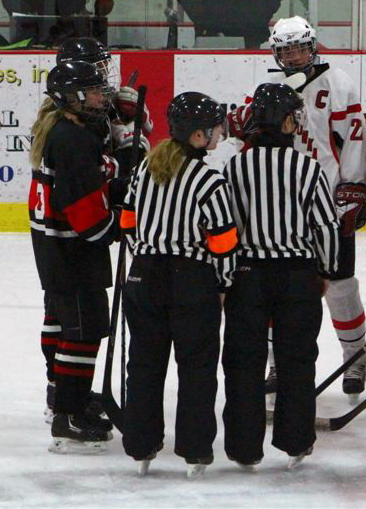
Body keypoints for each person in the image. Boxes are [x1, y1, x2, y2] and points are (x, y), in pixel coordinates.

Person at [252, 16, 366, 401]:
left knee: (340, 285)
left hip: (328, 201)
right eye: (285, 51)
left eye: (299, 49)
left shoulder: (338, 83)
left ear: (312, 47)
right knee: (277, 287)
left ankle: (355, 358)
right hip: (282, 208)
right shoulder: (269, 87)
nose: (293, 57)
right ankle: (276, 363)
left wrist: (353, 189)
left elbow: (354, 140)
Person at [119, 92, 238, 477]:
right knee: (197, 368)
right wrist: (223, 284)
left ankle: (141, 446)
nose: (219, 132)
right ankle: (195, 450)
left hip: (143, 276)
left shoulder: (145, 167)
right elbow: (223, 240)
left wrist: (146, 254)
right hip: (191, 280)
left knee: (144, 365)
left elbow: (127, 223)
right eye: (214, 127)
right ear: (198, 135)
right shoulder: (208, 179)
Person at [222, 83, 340, 470]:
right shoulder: (307, 167)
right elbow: (326, 226)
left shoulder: (236, 166)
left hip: (247, 275)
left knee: (243, 361)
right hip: (296, 275)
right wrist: (325, 271)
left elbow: (224, 226)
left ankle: (243, 448)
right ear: (288, 122)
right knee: (297, 361)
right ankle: (295, 442)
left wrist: (226, 276)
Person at [28, 60, 120, 453]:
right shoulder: (72, 140)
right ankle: (68, 413)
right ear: (73, 97)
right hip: (72, 251)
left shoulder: (61, 130)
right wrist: (116, 227)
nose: (102, 97)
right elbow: (85, 212)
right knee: (83, 332)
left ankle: (71, 397)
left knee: (70, 327)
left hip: (56, 248)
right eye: (95, 91)